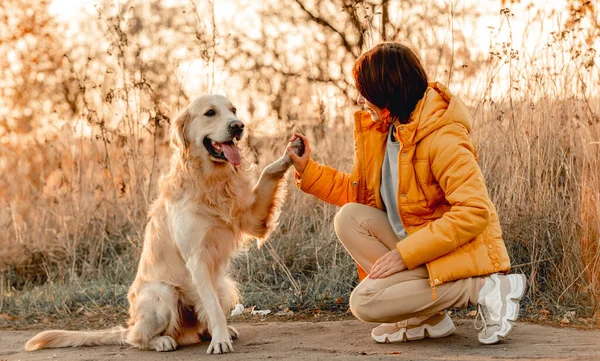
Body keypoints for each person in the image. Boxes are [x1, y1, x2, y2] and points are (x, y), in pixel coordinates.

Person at [285, 42, 526, 345]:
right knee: (350, 217)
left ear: (388, 93)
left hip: (455, 252)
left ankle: (483, 289)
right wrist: (308, 170)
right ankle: (426, 318)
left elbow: (475, 211)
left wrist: (404, 255)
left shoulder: (442, 136)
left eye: (366, 91)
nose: (360, 99)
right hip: (420, 244)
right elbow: (363, 194)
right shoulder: (389, 130)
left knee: (365, 302)